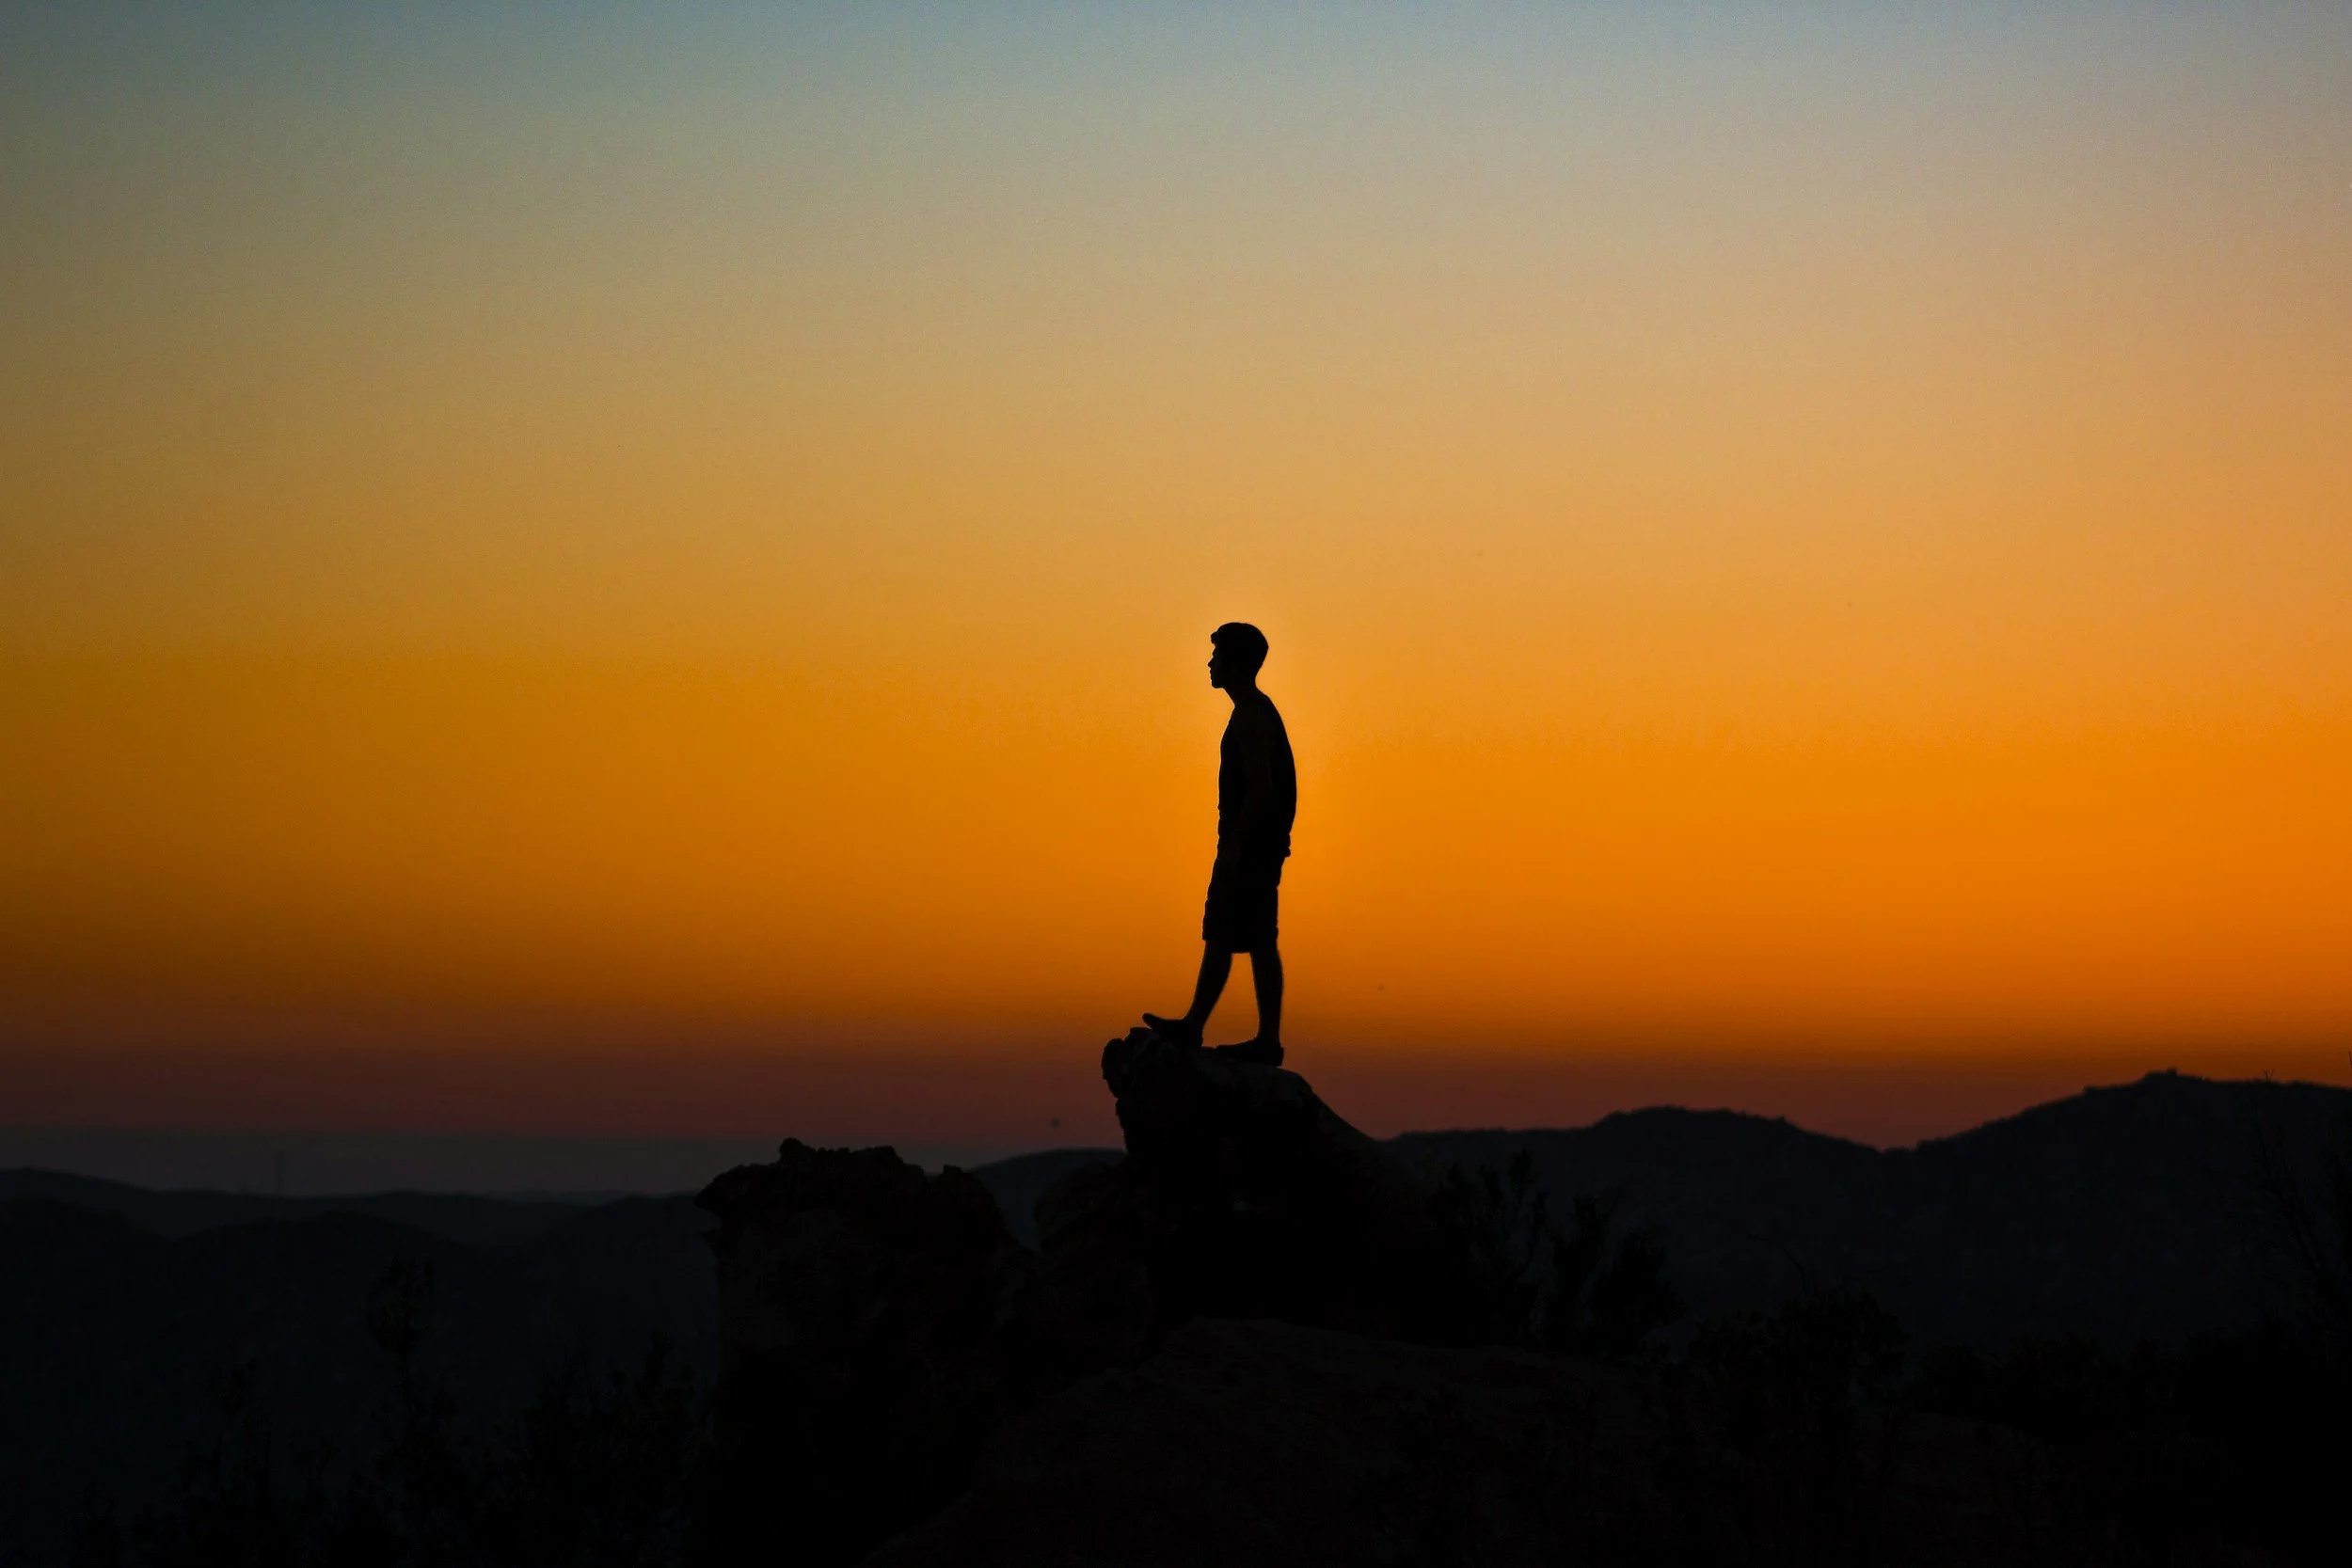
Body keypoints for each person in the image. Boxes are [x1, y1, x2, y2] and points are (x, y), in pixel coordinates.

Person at [1143, 622, 1296, 1065]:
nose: (1210, 663)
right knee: (1226, 935)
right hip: (1254, 846)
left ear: (1236, 663)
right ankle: (1196, 1026)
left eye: (1217, 656)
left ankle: (1264, 1041)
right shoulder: (1252, 711)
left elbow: (1262, 790)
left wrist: (1235, 848)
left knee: (1254, 938)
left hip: (1249, 847)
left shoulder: (1251, 715)